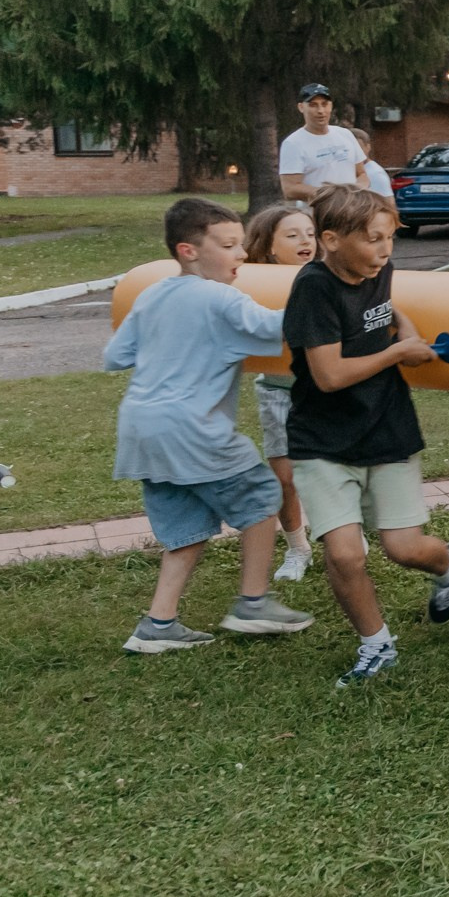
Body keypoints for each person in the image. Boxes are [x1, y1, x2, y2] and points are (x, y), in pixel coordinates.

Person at [104, 198, 315, 653]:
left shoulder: (153, 293)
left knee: (187, 529)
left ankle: (157, 626)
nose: (241, 255)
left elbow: (115, 357)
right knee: (263, 498)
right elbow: (285, 328)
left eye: (242, 244)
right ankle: (253, 603)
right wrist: (326, 292)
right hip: (192, 427)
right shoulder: (220, 297)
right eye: (229, 245)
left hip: (141, 429)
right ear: (189, 250)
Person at [283, 184, 449, 687]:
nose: (385, 251)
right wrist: (397, 354)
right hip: (323, 439)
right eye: (373, 239)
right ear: (331, 239)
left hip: (386, 426)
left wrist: (405, 332)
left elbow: (385, 312)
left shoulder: (376, 269)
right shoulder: (313, 289)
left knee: (405, 548)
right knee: (344, 553)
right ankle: (376, 645)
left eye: (389, 238)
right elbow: (329, 375)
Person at [242, 204, 320, 581]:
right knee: (284, 477)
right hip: (277, 391)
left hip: (324, 390)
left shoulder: (327, 277)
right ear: (270, 247)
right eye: (292, 235)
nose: (305, 240)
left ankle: (337, 530)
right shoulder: (253, 285)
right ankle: (297, 548)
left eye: (309, 232)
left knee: (328, 469)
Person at [277, 83, 367, 203]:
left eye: (324, 104)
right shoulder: (293, 143)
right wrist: (330, 195)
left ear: (331, 106)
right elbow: (290, 189)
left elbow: (361, 174)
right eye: (313, 105)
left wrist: (355, 191)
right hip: (318, 215)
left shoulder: (345, 134)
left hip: (352, 211)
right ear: (301, 107)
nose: (320, 111)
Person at [349, 127, 394, 199]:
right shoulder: (349, 170)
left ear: (368, 147)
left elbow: (388, 204)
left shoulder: (375, 174)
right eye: (350, 148)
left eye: (359, 148)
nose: (355, 152)